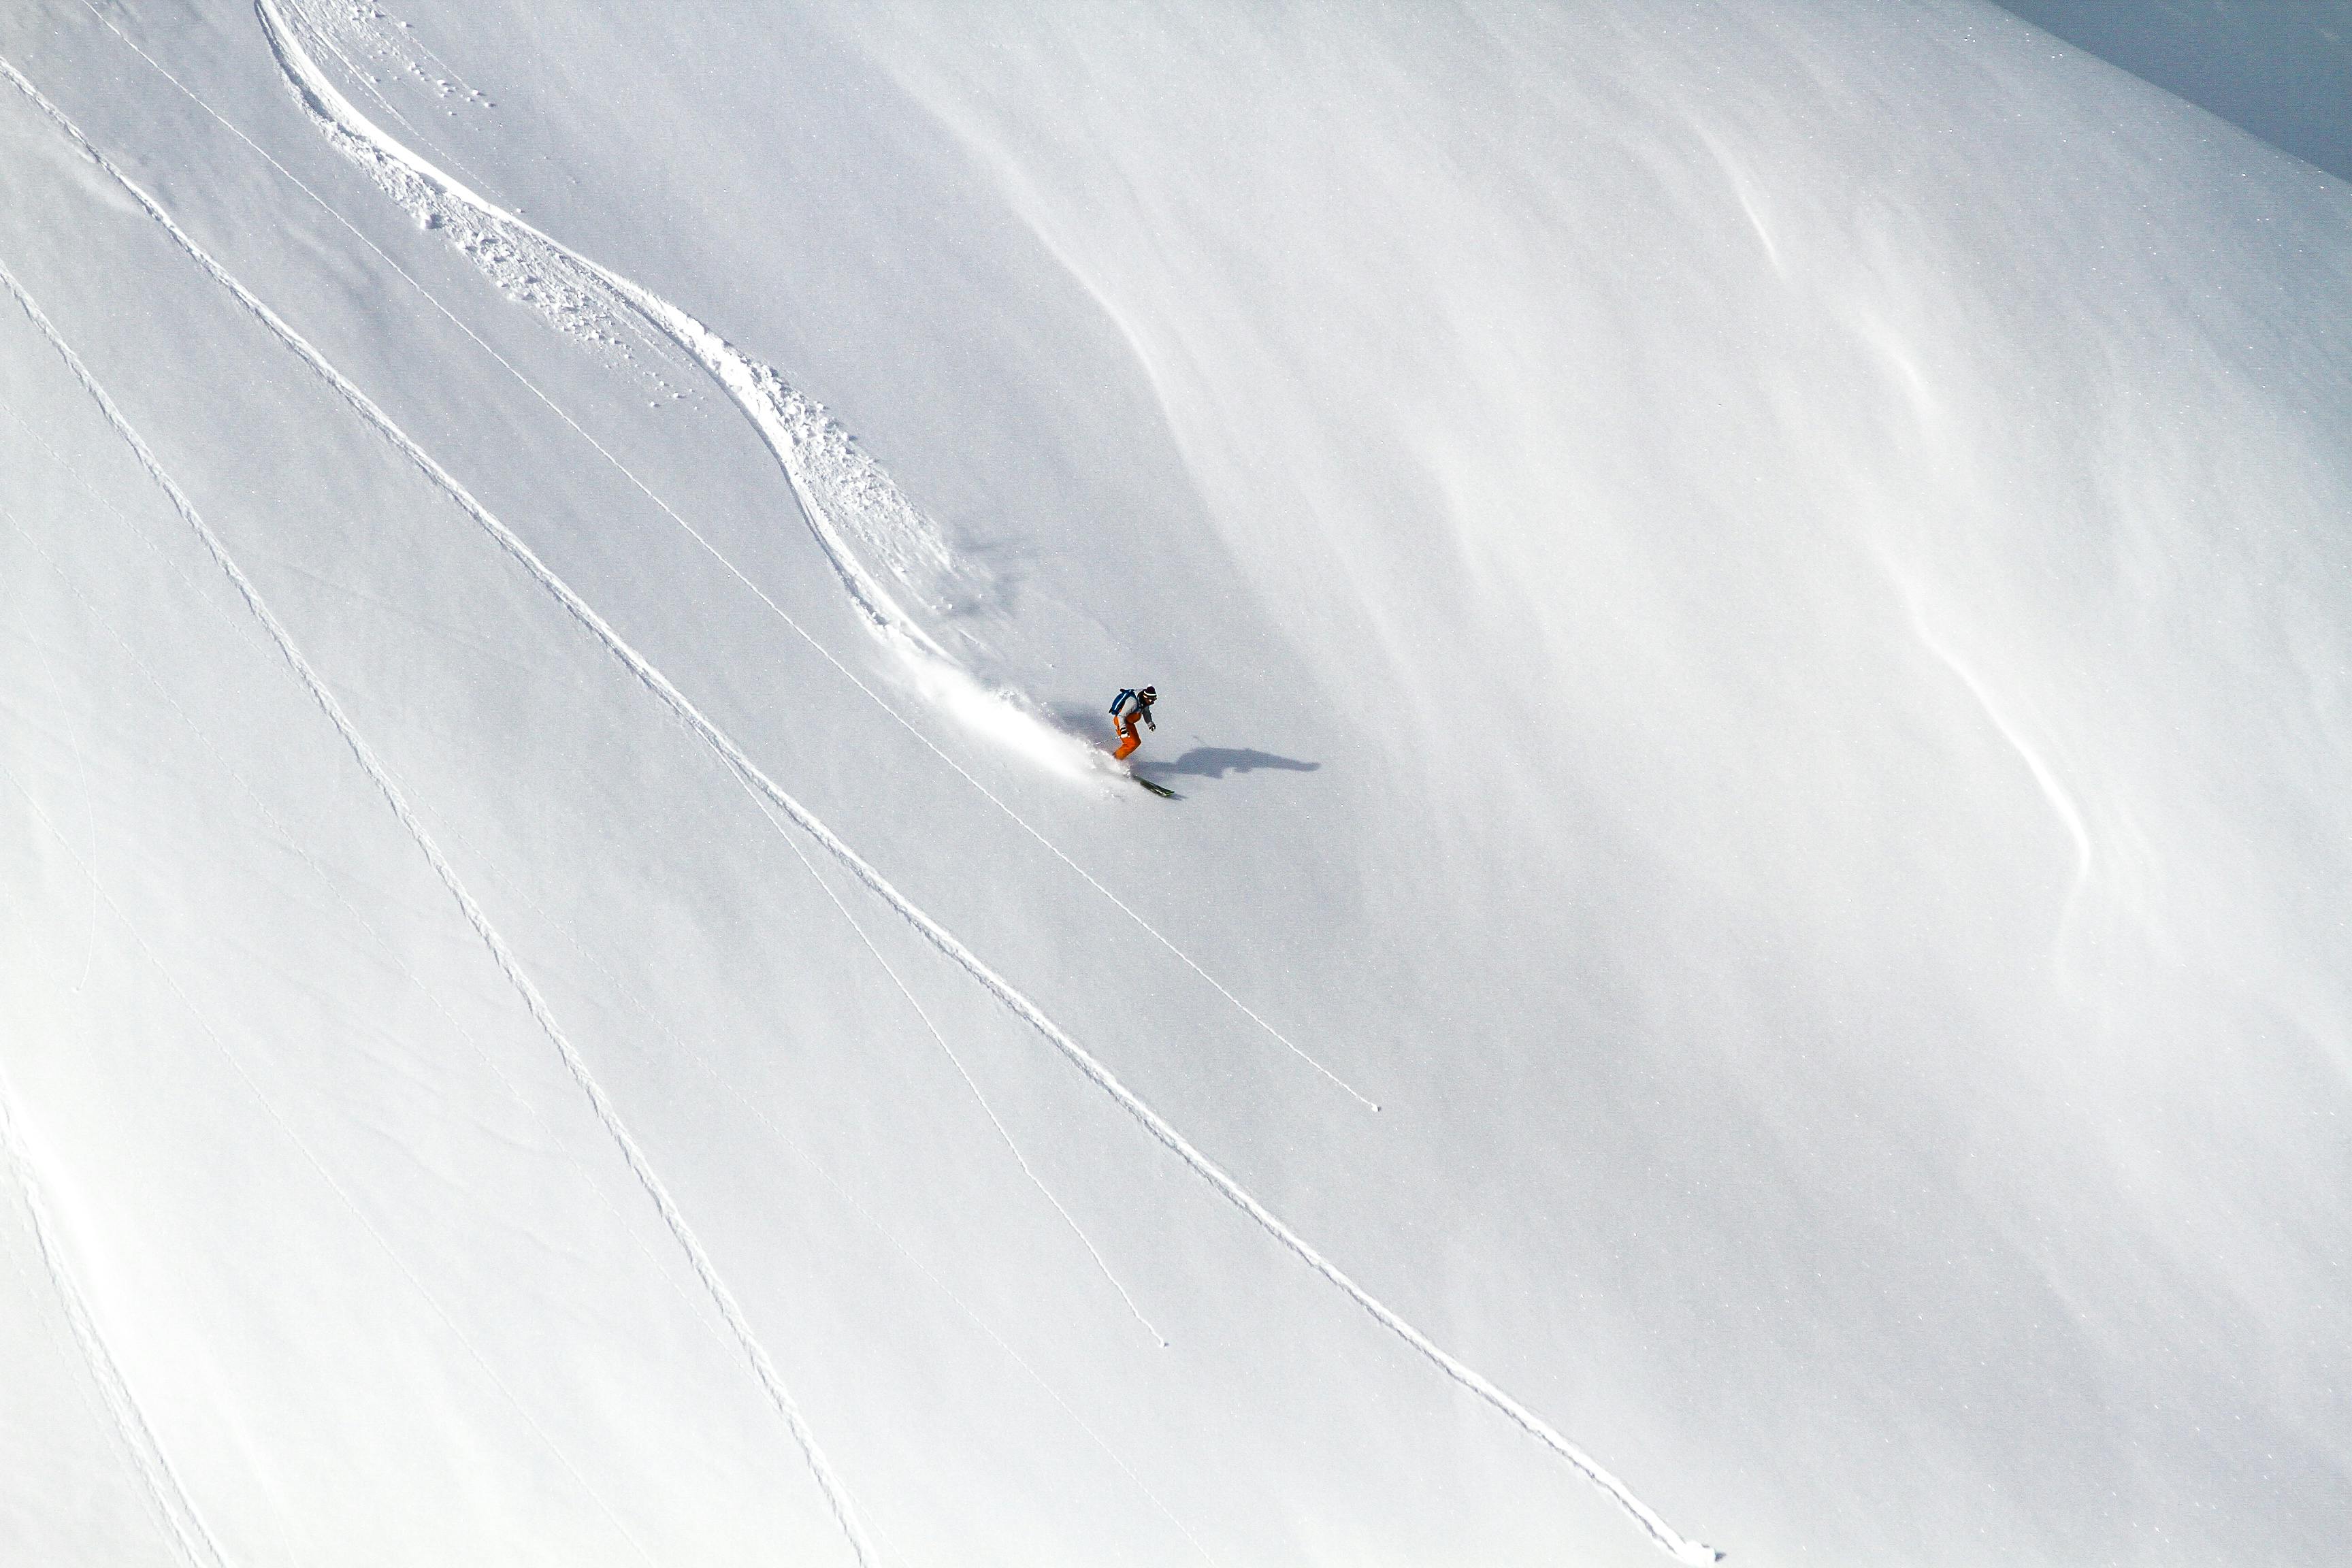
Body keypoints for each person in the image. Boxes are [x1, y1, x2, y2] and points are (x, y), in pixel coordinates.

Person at [1109, 685, 1157, 760]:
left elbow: (1146, 712)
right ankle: (1114, 759)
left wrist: (1150, 723)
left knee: (1137, 742)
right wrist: (1123, 730)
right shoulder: (1133, 702)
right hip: (1122, 722)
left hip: (1130, 723)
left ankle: (1116, 758)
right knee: (1131, 744)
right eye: (1152, 700)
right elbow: (1121, 716)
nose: (1153, 702)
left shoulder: (1145, 702)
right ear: (1146, 697)